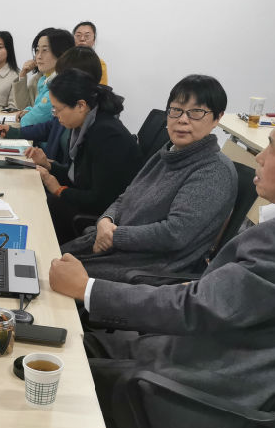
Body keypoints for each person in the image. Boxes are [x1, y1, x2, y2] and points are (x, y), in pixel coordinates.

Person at [48, 102, 275, 428]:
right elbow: (232, 298)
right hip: (221, 365)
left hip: (203, 400)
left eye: (273, 148)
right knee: (65, 341)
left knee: (47, 372)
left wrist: (88, 288)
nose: (260, 157)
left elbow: (196, 309)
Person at [59, 74, 237, 281]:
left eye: (196, 112)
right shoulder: (167, 154)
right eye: (176, 110)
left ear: (217, 118)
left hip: (147, 268)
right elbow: (125, 197)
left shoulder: (214, 171)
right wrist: (105, 221)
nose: (182, 119)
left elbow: (174, 233)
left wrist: (114, 236)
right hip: (117, 249)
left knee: (51, 274)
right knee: (44, 260)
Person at [25, 68, 140, 243]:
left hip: (108, 217)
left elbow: (101, 199)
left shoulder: (106, 135)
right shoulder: (86, 125)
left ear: (80, 106)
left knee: (43, 204)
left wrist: (59, 190)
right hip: (94, 204)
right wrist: (48, 165)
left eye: (57, 109)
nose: (55, 116)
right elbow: (80, 177)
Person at [0, 46, 102, 159]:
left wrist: (50, 167)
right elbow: (50, 127)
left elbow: (73, 170)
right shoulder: (70, 105)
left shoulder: (100, 130)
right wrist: (14, 132)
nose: (38, 56)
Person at [18, 28, 75, 128]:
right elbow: (39, 110)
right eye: (37, 50)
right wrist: (29, 111)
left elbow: (30, 121)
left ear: (62, 53)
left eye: (45, 50)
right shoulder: (44, 79)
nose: (38, 56)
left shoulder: (60, 86)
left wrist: (26, 116)